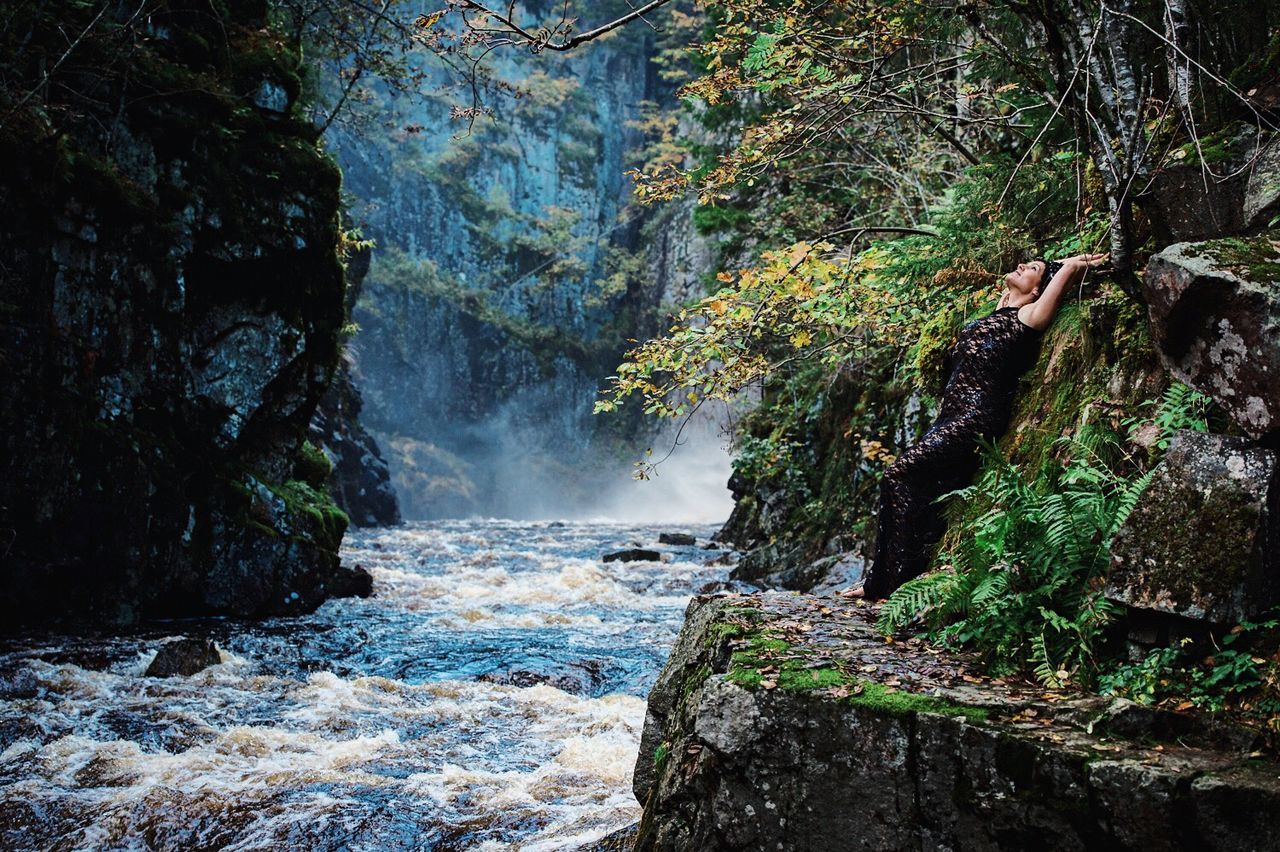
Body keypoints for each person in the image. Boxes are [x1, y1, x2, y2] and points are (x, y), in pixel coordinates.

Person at [841, 252, 1109, 600]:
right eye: (1024, 262)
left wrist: (1072, 266)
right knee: (920, 492)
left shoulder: (1029, 316)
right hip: (951, 419)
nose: (1021, 266)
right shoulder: (995, 316)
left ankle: (883, 586)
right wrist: (1039, 272)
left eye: (1032, 270)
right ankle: (886, 581)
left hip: (975, 419)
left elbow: (1061, 276)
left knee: (897, 476)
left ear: (1039, 289)